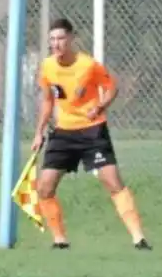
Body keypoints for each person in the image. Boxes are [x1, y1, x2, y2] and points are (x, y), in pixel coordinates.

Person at [31, 18, 150, 251]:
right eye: (53, 39)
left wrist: (100, 106)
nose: (57, 43)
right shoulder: (47, 67)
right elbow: (48, 100)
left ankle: (139, 238)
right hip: (63, 132)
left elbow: (111, 87)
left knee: (113, 182)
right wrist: (39, 132)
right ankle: (60, 241)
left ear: (71, 38)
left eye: (61, 38)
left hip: (92, 131)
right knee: (44, 188)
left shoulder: (88, 65)